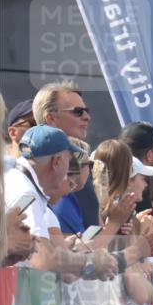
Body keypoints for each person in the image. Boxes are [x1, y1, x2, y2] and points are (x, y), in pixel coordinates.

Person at [4, 125, 116, 279]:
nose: (70, 170)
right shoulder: (26, 191)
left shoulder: (20, 182)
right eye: (69, 161)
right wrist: (90, 261)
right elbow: (42, 259)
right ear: (57, 161)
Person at [32, 80, 101, 228]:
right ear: (50, 118)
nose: (87, 117)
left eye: (86, 111)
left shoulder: (77, 161)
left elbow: (92, 228)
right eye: (77, 111)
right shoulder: (36, 173)